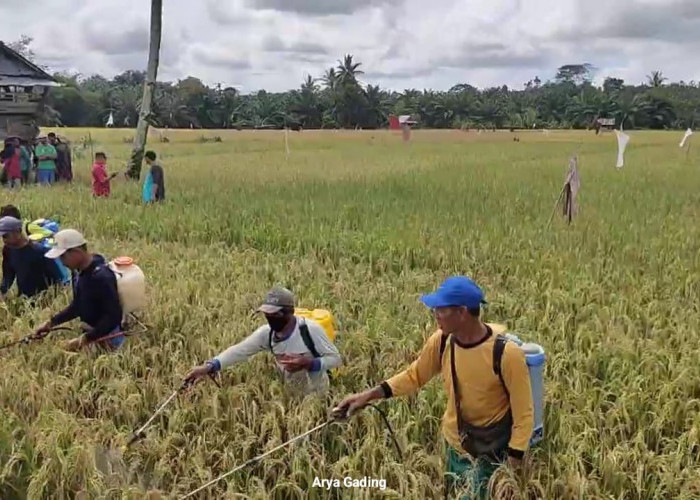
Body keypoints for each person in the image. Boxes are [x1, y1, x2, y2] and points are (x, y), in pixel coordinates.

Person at [333, 276, 534, 499]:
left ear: (462, 312)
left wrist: (511, 469)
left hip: (492, 453)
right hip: (455, 444)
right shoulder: (442, 341)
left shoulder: (506, 354)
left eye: (441, 309)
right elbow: (414, 375)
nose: (435, 314)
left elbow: (524, 414)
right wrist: (368, 396)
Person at [184, 287, 342, 396]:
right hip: (291, 394)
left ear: (290, 312)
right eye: (267, 313)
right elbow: (239, 350)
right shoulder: (267, 333)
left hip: (317, 394)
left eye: (275, 314)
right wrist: (209, 367)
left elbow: (336, 359)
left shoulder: (310, 330)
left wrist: (308, 363)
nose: (270, 317)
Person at [34, 229, 124, 352]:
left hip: (109, 336)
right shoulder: (79, 272)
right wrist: (51, 323)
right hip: (92, 333)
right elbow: (78, 305)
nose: (61, 262)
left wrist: (85, 339)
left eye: (62, 256)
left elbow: (113, 316)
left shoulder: (101, 277)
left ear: (77, 252)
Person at [0, 216, 63, 301]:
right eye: (2, 237)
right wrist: (2, 292)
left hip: (43, 301)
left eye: (6, 236)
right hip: (24, 300)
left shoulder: (39, 252)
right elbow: (8, 275)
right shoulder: (8, 251)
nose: (4, 240)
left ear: (18, 231)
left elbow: (57, 279)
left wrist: (50, 301)